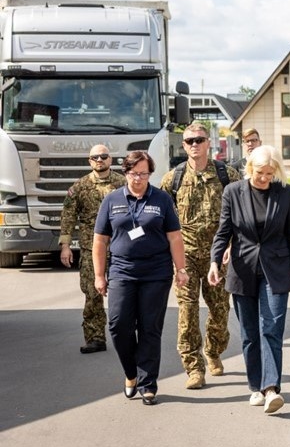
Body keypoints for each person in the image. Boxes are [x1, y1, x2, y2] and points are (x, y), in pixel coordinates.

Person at [207, 145, 290, 414]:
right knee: (250, 334)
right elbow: (223, 231)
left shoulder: (285, 192)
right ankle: (256, 386)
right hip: (242, 270)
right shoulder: (233, 192)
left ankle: (271, 388)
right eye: (260, 172)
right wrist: (214, 262)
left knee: (271, 328)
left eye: (270, 173)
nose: (264, 178)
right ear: (250, 168)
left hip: (276, 270)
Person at [93, 151, 189, 406]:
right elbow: (100, 240)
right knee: (118, 325)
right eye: (134, 173)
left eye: (144, 174)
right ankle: (131, 373)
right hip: (122, 271)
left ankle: (148, 384)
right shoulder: (112, 200)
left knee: (149, 328)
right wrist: (99, 275)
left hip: (156, 273)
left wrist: (181, 269)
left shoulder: (161, 199)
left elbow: (174, 236)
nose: (139, 179)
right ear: (125, 172)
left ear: (150, 174)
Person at [160, 122, 241, 389]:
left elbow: (242, 214)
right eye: (189, 141)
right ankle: (194, 367)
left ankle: (213, 351)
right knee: (187, 311)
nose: (194, 145)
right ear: (184, 146)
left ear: (209, 143)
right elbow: (162, 220)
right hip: (186, 257)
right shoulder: (172, 179)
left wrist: (232, 244)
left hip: (218, 256)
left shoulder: (227, 175)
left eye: (199, 140)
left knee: (220, 311)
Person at [59, 144, 126, 354]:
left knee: (124, 294)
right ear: (89, 161)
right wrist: (65, 246)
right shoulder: (80, 186)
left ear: (110, 159)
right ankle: (95, 338)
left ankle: (125, 336)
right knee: (92, 294)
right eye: (95, 157)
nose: (99, 160)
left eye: (103, 156)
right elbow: (68, 216)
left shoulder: (123, 184)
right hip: (90, 250)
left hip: (120, 248)